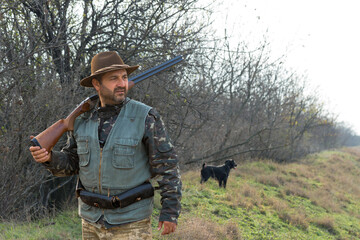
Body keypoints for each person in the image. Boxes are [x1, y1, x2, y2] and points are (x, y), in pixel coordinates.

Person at [29, 51, 182, 239]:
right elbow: (72, 163)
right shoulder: (82, 120)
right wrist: (49, 158)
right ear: (96, 84)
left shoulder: (145, 117)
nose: (121, 83)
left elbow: (167, 166)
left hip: (131, 223)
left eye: (124, 77)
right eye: (113, 78)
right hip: (90, 222)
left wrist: (170, 212)